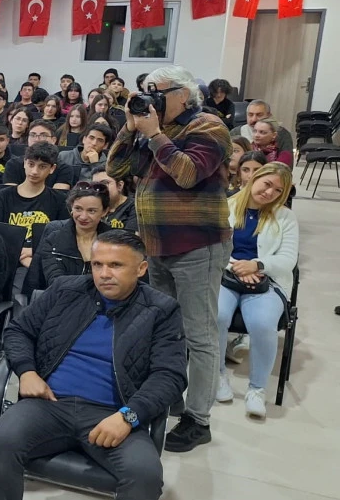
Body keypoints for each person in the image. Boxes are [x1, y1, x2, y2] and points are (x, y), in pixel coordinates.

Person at [0, 230, 185, 500]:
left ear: (140, 269)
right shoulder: (65, 290)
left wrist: (128, 416)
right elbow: (18, 331)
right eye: (97, 264)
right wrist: (27, 371)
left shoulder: (161, 310)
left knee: (145, 476)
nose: (104, 273)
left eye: (116, 265)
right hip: (50, 403)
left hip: (113, 414)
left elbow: (170, 376)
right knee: (2, 440)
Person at [106, 64, 232, 454]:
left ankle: (198, 419)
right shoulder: (153, 128)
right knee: (165, 331)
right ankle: (168, 395)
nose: (150, 99)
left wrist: (155, 134)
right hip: (156, 246)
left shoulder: (208, 126)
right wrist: (130, 128)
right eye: (146, 91)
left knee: (199, 335)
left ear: (182, 94)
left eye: (156, 92)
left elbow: (188, 174)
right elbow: (116, 168)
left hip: (197, 247)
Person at [216, 162, 297, 418]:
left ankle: (257, 389)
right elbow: (213, 247)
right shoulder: (225, 206)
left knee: (262, 323)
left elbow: (288, 259)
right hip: (225, 274)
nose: (270, 192)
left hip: (268, 280)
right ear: (255, 178)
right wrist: (238, 267)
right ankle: (217, 375)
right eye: (267, 184)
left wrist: (258, 265)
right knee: (216, 315)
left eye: (278, 190)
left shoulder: (285, 217)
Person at [0, 143, 68, 267]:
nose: (34, 171)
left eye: (42, 166)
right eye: (31, 164)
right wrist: (19, 253)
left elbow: (61, 238)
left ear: (52, 169)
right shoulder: (4, 196)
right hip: (7, 259)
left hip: (41, 260)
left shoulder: (59, 200)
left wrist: (34, 251)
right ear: (24, 163)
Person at [34, 181, 112, 290]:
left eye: (91, 211)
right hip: (62, 296)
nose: (83, 216)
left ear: (104, 211)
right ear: (71, 207)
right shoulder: (53, 239)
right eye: (78, 209)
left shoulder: (115, 242)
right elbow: (56, 282)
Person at [4, 121, 76, 189]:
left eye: (43, 135)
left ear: (53, 140)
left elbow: (58, 195)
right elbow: (10, 194)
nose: (37, 139)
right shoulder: (13, 164)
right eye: (33, 135)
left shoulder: (64, 168)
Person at [90, 163, 137, 231]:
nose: (99, 188)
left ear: (120, 186)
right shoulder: (91, 206)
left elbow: (131, 236)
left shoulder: (135, 207)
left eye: (105, 183)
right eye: (95, 185)